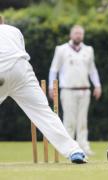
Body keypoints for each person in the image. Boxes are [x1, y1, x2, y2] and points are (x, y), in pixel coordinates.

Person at [0, 18, 87, 164]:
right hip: (21, 70)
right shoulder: (14, 30)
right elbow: (19, 51)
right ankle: (74, 151)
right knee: (43, 112)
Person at [49, 25, 102, 156]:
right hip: (67, 90)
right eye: (76, 33)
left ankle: (84, 146)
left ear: (83, 36)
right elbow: (53, 69)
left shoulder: (88, 50)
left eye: (80, 34)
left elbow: (92, 70)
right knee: (69, 121)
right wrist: (51, 87)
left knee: (83, 121)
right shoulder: (61, 49)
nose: (78, 35)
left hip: (84, 90)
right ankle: (69, 148)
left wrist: (97, 85)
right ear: (71, 35)